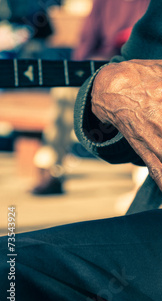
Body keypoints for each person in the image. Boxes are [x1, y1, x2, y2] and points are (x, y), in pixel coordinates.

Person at [0, 0, 162, 301]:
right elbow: (124, 71)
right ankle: (47, 168)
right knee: (9, 270)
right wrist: (106, 87)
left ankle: (48, 166)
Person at [32, 0, 151, 195]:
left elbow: (147, 37)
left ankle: (142, 184)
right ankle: (52, 166)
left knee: (140, 98)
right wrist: (76, 73)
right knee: (63, 91)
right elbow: (87, 38)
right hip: (99, 67)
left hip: (136, 69)